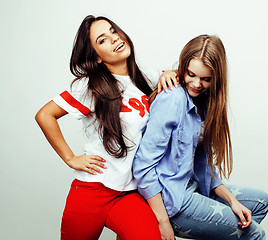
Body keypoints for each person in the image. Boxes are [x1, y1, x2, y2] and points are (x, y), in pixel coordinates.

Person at [35, 15, 177, 240]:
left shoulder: (145, 78)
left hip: (128, 192)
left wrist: (170, 73)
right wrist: (70, 158)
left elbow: (176, 77)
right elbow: (44, 115)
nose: (114, 38)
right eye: (102, 40)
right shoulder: (90, 87)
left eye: (113, 31)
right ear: (97, 57)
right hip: (92, 191)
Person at [133, 34, 268, 240]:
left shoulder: (206, 102)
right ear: (183, 67)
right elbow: (142, 165)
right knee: (255, 235)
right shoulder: (172, 99)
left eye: (206, 79)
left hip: (193, 185)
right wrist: (162, 221)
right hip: (172, 199)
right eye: (191, 74)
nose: (197, 84)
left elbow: (201, 162)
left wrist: (232, 200)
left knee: (260, 202)